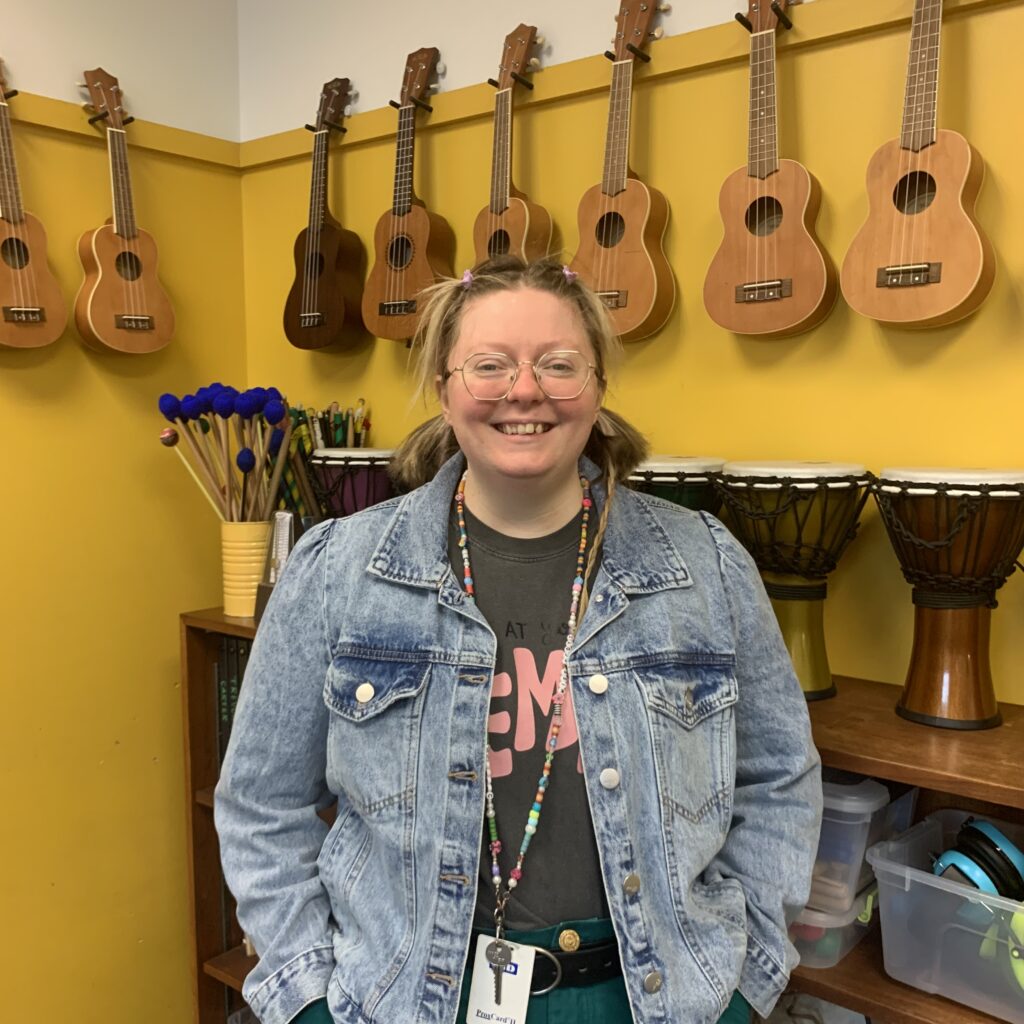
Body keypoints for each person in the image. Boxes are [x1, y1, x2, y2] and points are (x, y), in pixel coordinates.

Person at [215, 256, 823, 1024]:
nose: (525, 390)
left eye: (559, 365)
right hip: (411, 1001)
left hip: (655, 999)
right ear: (443, 386)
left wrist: (747, 981)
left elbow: (779, 781)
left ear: (598, 387)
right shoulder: (338, 571)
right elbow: (261, 806)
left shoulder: (706, 565)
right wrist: (304, 1001)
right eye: (490, 365)